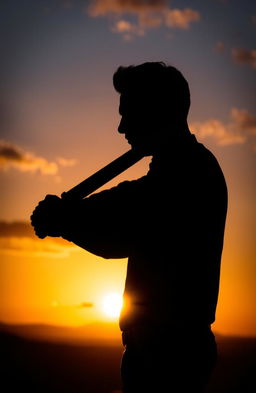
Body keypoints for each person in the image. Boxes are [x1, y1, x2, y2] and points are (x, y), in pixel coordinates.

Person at [31, 62, 228, 392]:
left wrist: (64, 218)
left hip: (169, 358)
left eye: (129, 113)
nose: (121, 128)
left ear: (157, 111)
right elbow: (131, 201)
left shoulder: (189, 175)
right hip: (161, 351)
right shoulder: (181, 169)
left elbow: (125, 223)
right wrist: (68, 215)